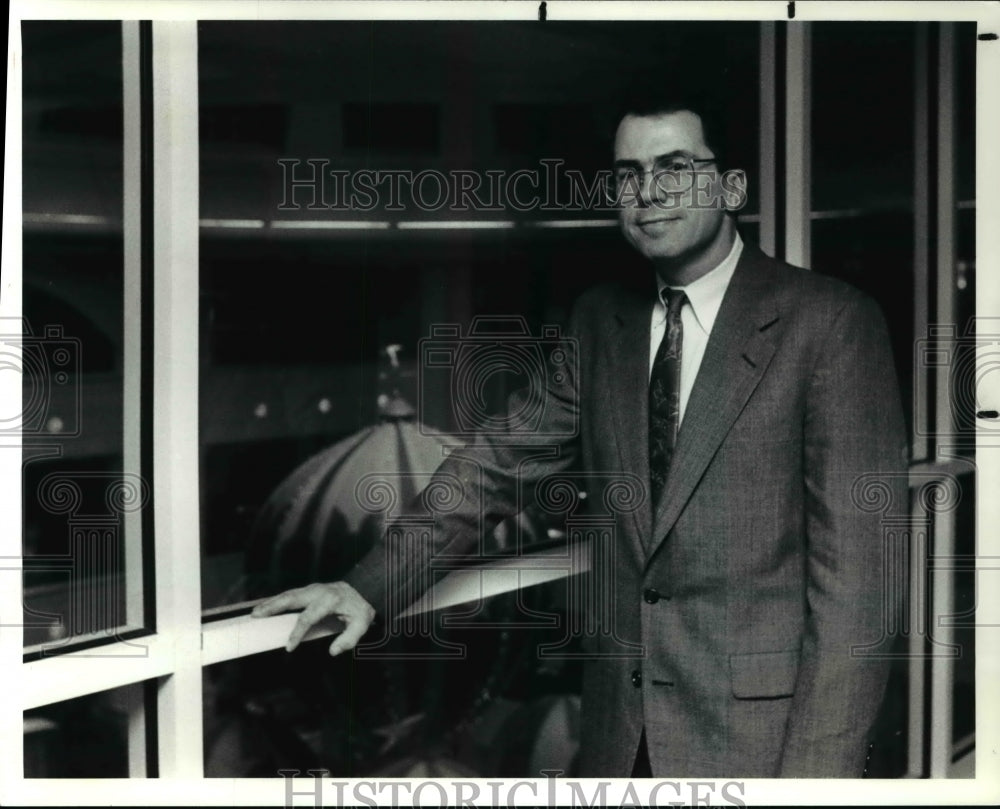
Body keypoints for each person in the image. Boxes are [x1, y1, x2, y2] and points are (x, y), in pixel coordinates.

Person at [253, 92, 908, 777]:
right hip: (620, 739)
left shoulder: (830, 324)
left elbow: (858, 591)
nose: (648, 192)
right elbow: (497, 464)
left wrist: (812, 783)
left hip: (762, 744)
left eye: (674, 166)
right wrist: (367, 587)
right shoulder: (601, 322)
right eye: (629, 174)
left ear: (732, 187)